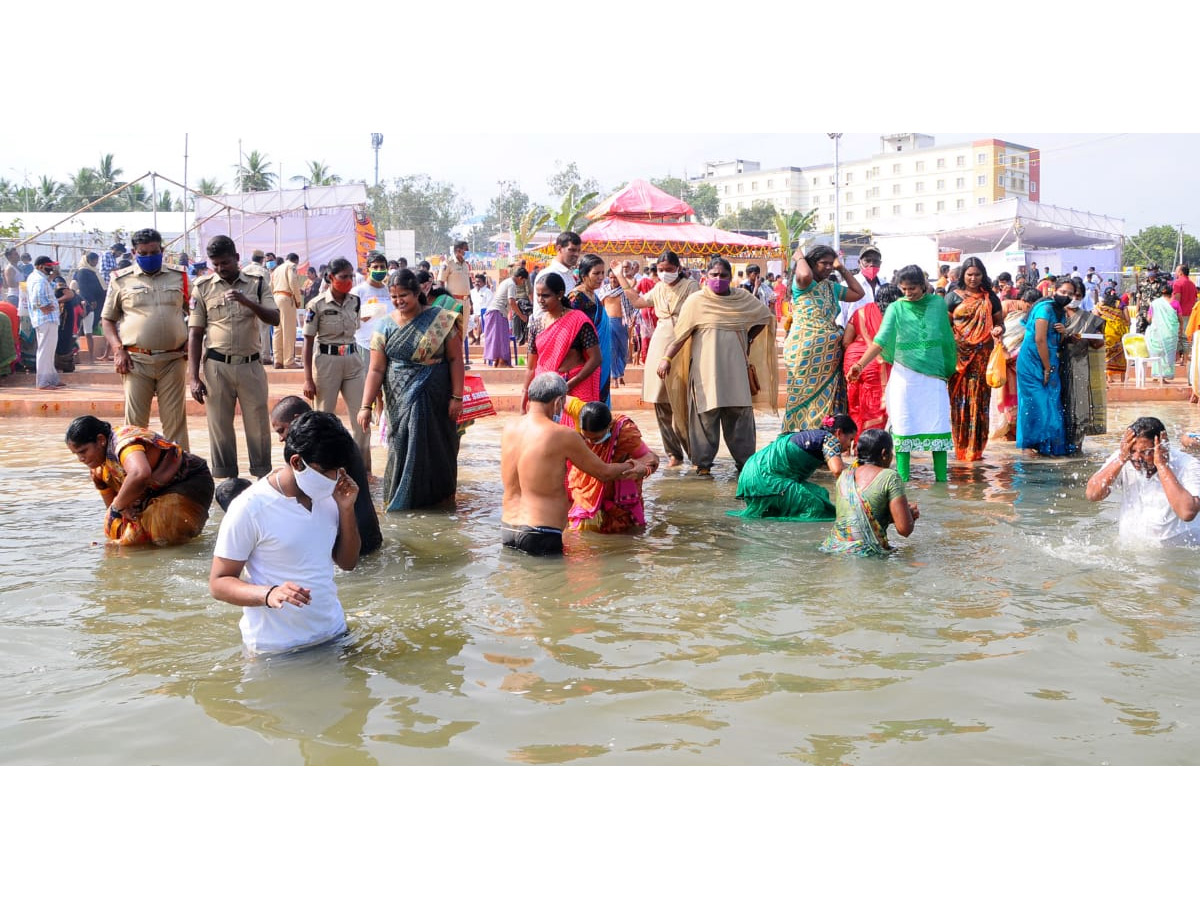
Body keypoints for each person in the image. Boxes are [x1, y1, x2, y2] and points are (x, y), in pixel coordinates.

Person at [210, 410, 362, 654]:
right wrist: (268, 594)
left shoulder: (332, 496)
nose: (335, 478)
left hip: (333, 634)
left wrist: (346, 510)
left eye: (339, 470)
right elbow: (218, 583)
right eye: (326, 472)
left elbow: (348, 563)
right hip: (277, 650)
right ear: (297, 462)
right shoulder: (250, 507)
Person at [657, 256, 778, 475]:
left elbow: (765, 317)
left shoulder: (742, 298)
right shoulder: (696, 302)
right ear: (705, 276)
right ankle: (703, 466)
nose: (719, 279)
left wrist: (749, 339)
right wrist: (666, 359)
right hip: (706, 372)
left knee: (739, 416)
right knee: (705, 417)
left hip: (736, 372)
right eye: (714, 275)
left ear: (730, 277)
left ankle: (745, 466)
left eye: (723, 275)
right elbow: (681, 335)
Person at [357, 267, 464, 511]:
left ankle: (439, 501)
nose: (398, 301)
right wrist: (366, 405)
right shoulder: (383, 326)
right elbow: (375, 370)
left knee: (438, 446)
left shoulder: (441, 319)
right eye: (394, 297)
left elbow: (456, 360)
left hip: (436, 395)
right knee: (401, 444)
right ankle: (402, 501)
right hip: (399, 397)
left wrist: (457, 396)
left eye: (403, 295)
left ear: (417, 293)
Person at [500, 373, 640, 556]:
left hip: (508, 528)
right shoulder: (562, 435)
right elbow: (604, 472)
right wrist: (633, 466)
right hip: (541, 531)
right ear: (558, 402)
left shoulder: (509, 428)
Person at [848, 265, 956, 482]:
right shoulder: (896, 308)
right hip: (905, 377)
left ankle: (942, 482)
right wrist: (860, 364)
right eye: (904, 289)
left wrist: (948, 368)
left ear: (923, 286)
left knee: (938, 426)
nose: (908, 293)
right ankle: (903, 481)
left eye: (912, 288)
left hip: (933, 378)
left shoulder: (936, 305)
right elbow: (880, 341)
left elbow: (946, 338)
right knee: (904, 426)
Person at [187, 235, 280, 481]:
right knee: (219, 428)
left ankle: (262, 478)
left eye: (225, 262)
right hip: (217, 367)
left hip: (250, 365)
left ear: (237, 258)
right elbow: (195, 334)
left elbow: (275, 318)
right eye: (215, 264)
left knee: (258, 426)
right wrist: (193, 377)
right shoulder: (203, 287)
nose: (220, 268)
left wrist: (247, 302)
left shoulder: (257, 283)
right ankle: (226, 481)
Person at [100, 228, 191, 449]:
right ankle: (133, 470)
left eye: (154, 251)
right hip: (136, 360)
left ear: (162, 249)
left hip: (173, 359)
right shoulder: (121, 280)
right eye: (144, 253)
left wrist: (191, 342)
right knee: (135, 424)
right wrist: (117, 349)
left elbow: (195, 313)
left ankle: (181, 472)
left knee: (175, 422)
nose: (150, 257)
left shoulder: (179, 276)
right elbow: (107, 320)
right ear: (134, 252)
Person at [65, 415, 214, 546]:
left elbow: (140, 473)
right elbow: (113, 511)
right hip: (150, 496)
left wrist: (118, 506)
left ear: (101, 440)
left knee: (161, 526)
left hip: (188, 481)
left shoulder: (124, 442)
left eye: (83, 451)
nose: (81, 459)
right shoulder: (99, 471)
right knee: (113, 527)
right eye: (76, 454)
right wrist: (120, 517)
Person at [610, 250, 700, 467]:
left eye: (669, 270)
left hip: (684, 342)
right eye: (661, 270)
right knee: (660, 400)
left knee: (686, 401)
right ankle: (674, 453)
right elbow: (639, 302)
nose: (665, 273)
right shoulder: (658, 287)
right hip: (659, 342)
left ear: (678, 268)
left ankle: (696, 454)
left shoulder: (691, 287)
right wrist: (620, 276)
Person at [271, 396, 382, 555]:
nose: (281, 438)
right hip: (366, 531)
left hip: (351, 538)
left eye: (281, 430)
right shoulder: (335, 438)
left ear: (297, 419)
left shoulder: (322, 447)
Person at [782, 245, 864, 432]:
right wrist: (799, 258)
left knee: (826, 404)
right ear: (812, 263)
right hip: (804, 351)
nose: (828, 267)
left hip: (829, 356)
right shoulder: (802, 284)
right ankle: (796, 438)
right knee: (803, 396)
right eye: (823, 263)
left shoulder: (832, 287)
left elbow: (858, 293)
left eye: (830, 264)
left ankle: (823, 440)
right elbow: (804, 275)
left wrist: (841, 268)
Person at [1085, 416, 1200, 546]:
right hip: (1132, 553)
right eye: (1133, 451)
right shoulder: (1124, 457)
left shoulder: (1188, 465)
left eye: (1145, 452)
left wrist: (1162, 466)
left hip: (1180, 554)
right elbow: (1092, 494)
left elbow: (1187, 512)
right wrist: (1121, 459)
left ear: (1163, 447)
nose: (1136, 457)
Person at [302, 256, 371, 469]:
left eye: (351, 276)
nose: (349, 280)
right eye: (344, 276)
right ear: (331, 277)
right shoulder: (316, 305)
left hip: (352, 359)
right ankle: (324, 468)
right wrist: (307, 379)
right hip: (326, 362)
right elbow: (308, 341)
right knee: (324, 419)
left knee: (362, 416)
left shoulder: (355, 301)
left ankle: (361, 467)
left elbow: (356, 327)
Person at [731, 414, 856, 520]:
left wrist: (858, 468)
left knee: (821, 495)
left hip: (751, 475)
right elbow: (838, 470)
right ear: (839, 433)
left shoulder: (812, 436)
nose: (849, 446)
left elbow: (840, 466)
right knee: (815, 506)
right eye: (850, 439)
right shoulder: (829, 439)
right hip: (764, 479)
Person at [820, 429, 918, 557]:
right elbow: (904, 530)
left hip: (833, 549)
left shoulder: (844, 476)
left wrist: (894, 516)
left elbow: (855, 519)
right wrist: (909, 516)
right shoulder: (890, 477)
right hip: (867, 554)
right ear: (884, 453)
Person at [565, 398, 658, 533]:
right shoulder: (581, 411)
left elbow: (651, 458)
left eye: (596, 439)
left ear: (609, 426)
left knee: (623, 535)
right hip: (587, 492)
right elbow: (559, 397)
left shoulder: (624, 432)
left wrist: (643, 469)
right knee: (579, 536)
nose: (591, 442)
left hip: (618, 498)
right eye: (586, 437)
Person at [520, 272, 601, 428]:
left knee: (576, 440)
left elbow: (595, 359)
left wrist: (568, 386)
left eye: (546, 295)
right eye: (538, 295)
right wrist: (524, 398)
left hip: (575, 389)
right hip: (545, 391)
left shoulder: (579, 320)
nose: (540, 300)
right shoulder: (536, 325)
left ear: (560, 294)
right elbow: (531, 367)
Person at [945, 256, 1004, 462]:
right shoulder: (952, 297)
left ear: (983, 275)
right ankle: (960, 449)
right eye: (969, 274)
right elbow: (945, 327)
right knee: (958, 402)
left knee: (978, 402)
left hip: (982, 357)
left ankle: (976, 451)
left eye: (977, 274)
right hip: (958, 357)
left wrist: (998, 329)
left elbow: (1000, 323)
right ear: (963, 275)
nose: (973, 278)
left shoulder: (990, 298)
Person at [1015, 281, 1073, 456]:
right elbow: (1040, 339)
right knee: (1034, 402)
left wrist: (1063, 332)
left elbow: (1056, 341)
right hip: (1032, 361)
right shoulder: (1045, 309)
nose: (1067, 296)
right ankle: (1028, 445)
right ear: (1055, 290)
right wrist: (1046, 368)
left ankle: (1047, 445)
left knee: (1052, 403)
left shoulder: (1061, 312)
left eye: (1070, 294)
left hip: (1050, 360)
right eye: (1063, 291)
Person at [843, 282, 898, 434]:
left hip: (852, 360)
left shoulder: (860, 311)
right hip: (876, 363)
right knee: (874, 406)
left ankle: (851, 442)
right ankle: (869, 443)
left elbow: (846, 341)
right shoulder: (896, 314)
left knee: (854, 402)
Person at [988, 286, 1036, 442]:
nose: (1032, 308)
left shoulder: (1034, 317)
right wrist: (1002, 349)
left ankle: (1016, 432)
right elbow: (999, 331)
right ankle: (1006, 432)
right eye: (1030, 305)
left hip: (1021, 362)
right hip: (1006, 359)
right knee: (1004, 396)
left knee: (1020, 398)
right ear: (1023, 301)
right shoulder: (1009, 311)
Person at [567, 253, 613, 405]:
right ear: (584, 274)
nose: (601, 277)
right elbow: (573, 331)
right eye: (596, 273)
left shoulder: (594, 296)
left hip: (601, 355)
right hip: (587, 358)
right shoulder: (576, 298)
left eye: (602, 273)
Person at [26, 256, 64, 389]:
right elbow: (35, 297)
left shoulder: (38, 278)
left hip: (46, 319)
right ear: (41, 266)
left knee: (48, 350)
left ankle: (52, 379)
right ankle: (43, 382)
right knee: (45, 351)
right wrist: (42, 306)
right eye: (49, 266)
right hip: (46, 319)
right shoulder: (39, 280)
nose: (51, 268)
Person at [270, 251, 305, 368]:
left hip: (276, 297)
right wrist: (298, 299)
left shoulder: (277, 269)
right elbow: (293, 282)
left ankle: (278, 360)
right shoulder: (291, 266)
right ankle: (289, 360)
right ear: (296, 261)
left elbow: (271, 285)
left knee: (277, 330)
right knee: (289, 330)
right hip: (286, 298)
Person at [353, 252, 392, 355]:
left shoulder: (389, 291)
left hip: (387, 346)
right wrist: (364, 314)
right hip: (365, 345)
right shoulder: (358, 291)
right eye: (375, 267)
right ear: (368, 269)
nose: (379, 270)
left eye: (382, 267)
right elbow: (348, 318)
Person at [72, 252, 109, 362]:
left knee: (87, 330)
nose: (96, 263)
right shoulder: (83, 272)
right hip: (87, 305)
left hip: (94, 304)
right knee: (83, 331)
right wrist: (91, 300)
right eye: (94, 261)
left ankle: (89, 356)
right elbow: (85, 288)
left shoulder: (92, 271)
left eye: (97, 261)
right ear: (88, 260)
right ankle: (81, 355)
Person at [838, 245, 886, 328]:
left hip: (880, 336)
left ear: (880, 263)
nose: (871, 264)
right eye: (867, 260)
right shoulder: (846, 285)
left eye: (875, 261)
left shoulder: (885, 285)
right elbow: (841, 315)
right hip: (854, 335)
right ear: (859, 262)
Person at [1145, 282, 1180, 384]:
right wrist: (1180, 329)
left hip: (1157, 332)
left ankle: (1156, 375)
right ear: (1171, 293)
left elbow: (1149, 318)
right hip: (1170, 333)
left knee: (1158, 353)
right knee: (1167, 354)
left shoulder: (1155, 303)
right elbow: (1180, 319)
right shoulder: (1175, 303)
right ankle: (1163, 376)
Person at [476, 272, 511, 367]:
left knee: (499, 337)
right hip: (493, 314)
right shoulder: (474, 292)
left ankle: (499, 360)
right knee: (498, 337)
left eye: (479, 281)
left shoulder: (488, 292)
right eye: (476, 282)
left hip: (492, 314)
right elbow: (511, 301)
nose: (476, 283)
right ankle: (499, 361)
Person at [1097, 291, 1130, 384]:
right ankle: (1123, 378)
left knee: (1107, 355)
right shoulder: (1122, 305)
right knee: (1121, 355)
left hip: (1107, 332)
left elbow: (1095, 316)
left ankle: (1109, 378)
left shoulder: (1101, 307)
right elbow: (1128, 320)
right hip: (1120, 334)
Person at [500, 267, 532, 349]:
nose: (522, 283)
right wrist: (522, 316)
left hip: (502, 312)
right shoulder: (512, 284)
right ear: (520, 278)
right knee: (500, 341)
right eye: (523, 281)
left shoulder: (506, 281)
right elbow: (511, 302)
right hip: (499, 312)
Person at [53, 284, 83, 372]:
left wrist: (55, 301)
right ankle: (64, 364)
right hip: (63, 314)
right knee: (63, 339)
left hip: (64, 315)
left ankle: (65, 364)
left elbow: (70, 295)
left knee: (63, 339)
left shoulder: (58, 281)